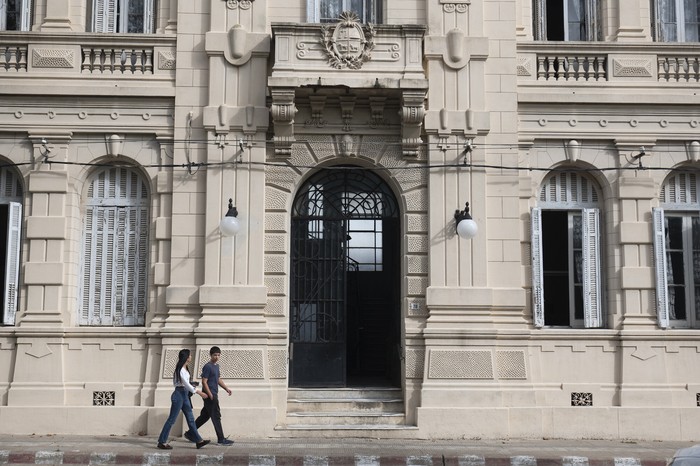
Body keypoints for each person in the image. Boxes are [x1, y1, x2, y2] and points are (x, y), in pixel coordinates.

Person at [157, 349, 211, 450]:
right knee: (171, 419)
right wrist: (199, 392)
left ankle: (199, 441)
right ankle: (162, 442)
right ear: (186, 357)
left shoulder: (185, 368)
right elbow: (185, 384)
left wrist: (194, 386)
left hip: (184, 395)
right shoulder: (180, 369)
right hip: (179, 395)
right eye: (190, 355)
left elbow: (187, 383)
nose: (191, 357)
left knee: (190, 419)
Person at [183, 346, 234, 446]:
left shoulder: (216, 366)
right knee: (216, 416)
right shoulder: (208, 366)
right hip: (210, 395)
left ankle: (190, 433)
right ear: (211, 355)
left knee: (205, 416)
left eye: (218, 355)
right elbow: (204, 381)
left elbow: (218, 379)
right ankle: (221, 439)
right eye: (215, 355)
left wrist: (226, 388)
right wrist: (210, 394)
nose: (217, 357)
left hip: (213, 394)